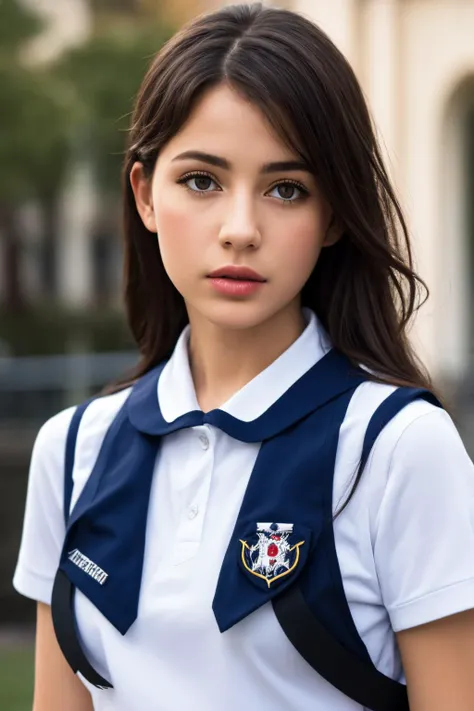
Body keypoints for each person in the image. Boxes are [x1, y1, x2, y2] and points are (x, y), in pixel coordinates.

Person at [13, 3, 474, 710]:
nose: (240, 229)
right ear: (143, 193)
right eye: (202, 180)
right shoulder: (71, 451)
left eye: (286, 189)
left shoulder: (398, 449)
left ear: (334, 217)